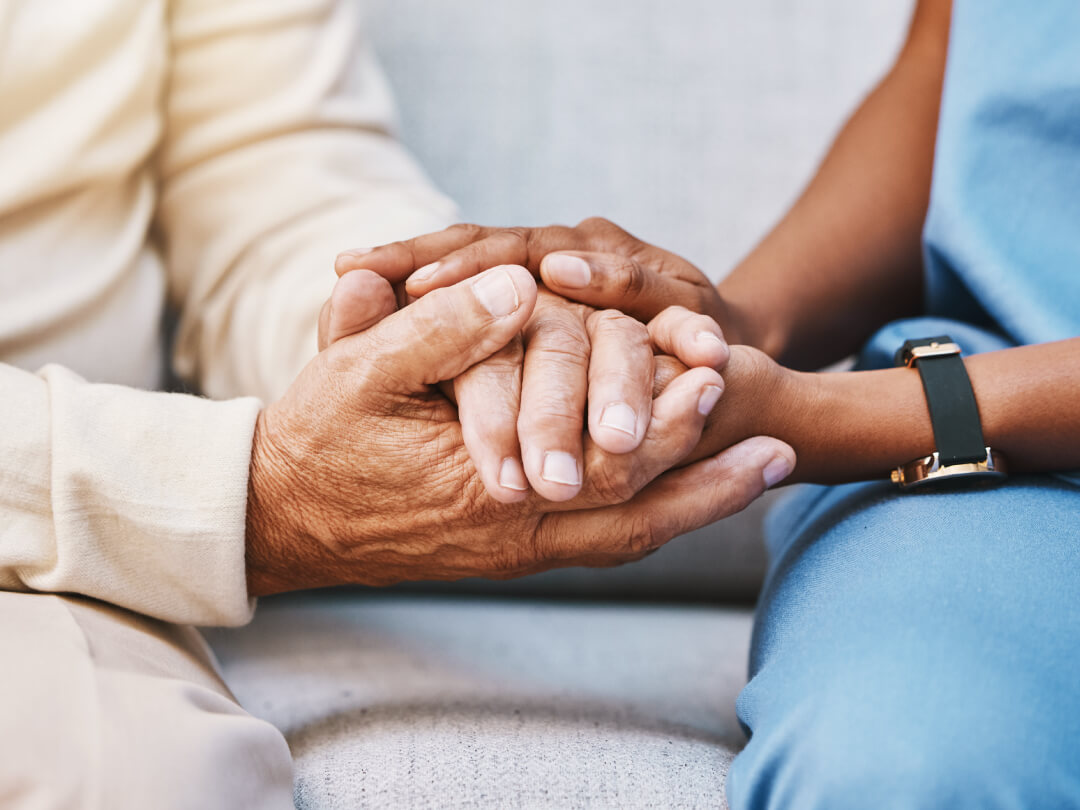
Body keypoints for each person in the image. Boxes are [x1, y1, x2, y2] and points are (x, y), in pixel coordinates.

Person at [0, 1, 793, 807]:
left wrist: (434, 335)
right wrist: (235, 491)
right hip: (85, 520)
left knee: (141, 781)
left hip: (71, 583)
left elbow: (272, 179)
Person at [338, 0, 1080, 805]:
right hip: (1010, 504)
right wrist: (734, 329)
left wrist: (848, 416)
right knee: (902, 764)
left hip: (946, 421)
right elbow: (966, 67)